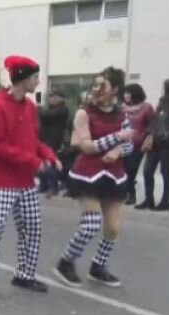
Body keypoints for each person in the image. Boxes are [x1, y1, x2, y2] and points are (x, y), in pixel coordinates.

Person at [0, 55, 61, 298]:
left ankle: (25, 275)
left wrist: (49, 156)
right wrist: (33, 162)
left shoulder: (30, 107)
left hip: (25, 181)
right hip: (1, 181)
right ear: (22, 79)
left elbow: (33, 141)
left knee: (32, 227)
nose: (38, 82)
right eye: (35, 78)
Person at [54, 67, 134, 288]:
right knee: (91, 224)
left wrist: (117, 151)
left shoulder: (123, 114)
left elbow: (129, 144)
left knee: (113, 227)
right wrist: (116, 138)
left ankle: (98, 267)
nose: (97, 90)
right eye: (95, 85)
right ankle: (65, 262)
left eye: (103, 85)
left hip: (114, 176)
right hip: (87, 174)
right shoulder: (84, 113)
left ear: (115, 90)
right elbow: (87, 147)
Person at [137, 78, 169, 212]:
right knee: (147, 171)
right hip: (155, 142)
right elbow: (155, 119)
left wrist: (168, 134)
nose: (164, 90)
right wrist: (151, 132)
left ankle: (165, 202)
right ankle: (149, 200)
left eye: (166, 87)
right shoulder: (162, 101)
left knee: (166, 172)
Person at [122, 84, 155, 206]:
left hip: (137, 144)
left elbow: (153, 124)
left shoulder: (146, 107)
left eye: (128, 93)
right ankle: (125, 193)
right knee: (123, 170)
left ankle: (132, 195)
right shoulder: (123, 108)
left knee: (131, 170)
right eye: (125, 93)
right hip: (122, 142)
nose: (126, 95)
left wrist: (146, 135)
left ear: (135, 94)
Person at [38, 91, 70, 197]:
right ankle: (43, 185)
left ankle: (54, 187)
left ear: (61, 98)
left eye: (54, 97)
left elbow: (47, 115)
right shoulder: (49, 109)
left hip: (55, 140)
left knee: (50, 164)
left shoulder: (63, 109)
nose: (52, 99)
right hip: (44, 139)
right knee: (41, 162)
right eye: (51, 97)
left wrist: (37, 109)